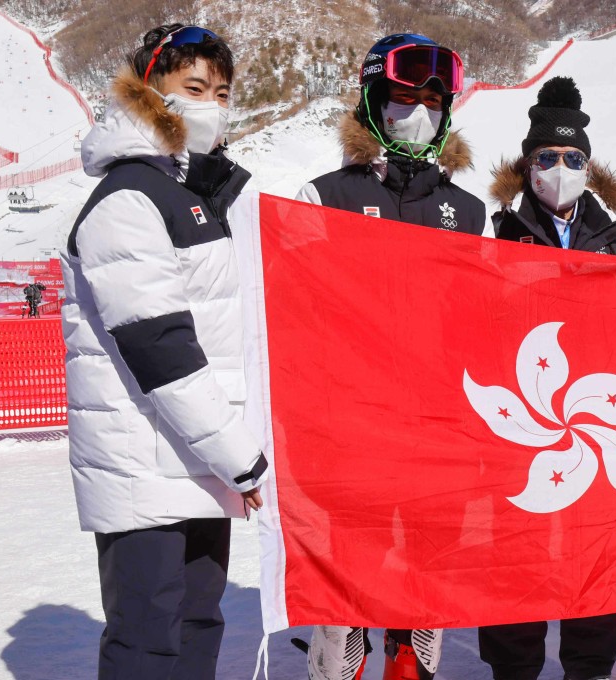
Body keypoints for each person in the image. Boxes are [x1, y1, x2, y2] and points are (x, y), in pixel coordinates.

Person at [60, 23, 267, 679]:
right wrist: (240, 455)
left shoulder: (200, 194)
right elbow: (160, 346)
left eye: (222, 91)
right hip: (146, 468)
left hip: (197, 460)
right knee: (148, 642)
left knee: (200, 626)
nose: (210, 103)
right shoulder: (129, 197)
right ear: (149, 92)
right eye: (194, 87)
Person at [294, 33, 486, 680]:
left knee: (429, 570)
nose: (419, 111)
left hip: (439, 430)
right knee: (349, 574)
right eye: (404, 98)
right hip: (354, 429)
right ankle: (339, 666)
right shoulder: (325, 198)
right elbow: (294, 317)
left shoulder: (469, 211)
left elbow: (479, 324)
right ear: (373, 102)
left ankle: (412, 664)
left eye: (432, 100)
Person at [480, 75, 616, 680]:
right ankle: (512, 665)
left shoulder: (611, 238)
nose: (560, 168)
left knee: (595, 542)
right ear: (528, 163)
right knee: (516, 544)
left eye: (574, 158)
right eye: (547, 157)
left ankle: (590, 665)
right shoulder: (496, 231)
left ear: (588, 167)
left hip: (590, 412)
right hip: (519, 411)